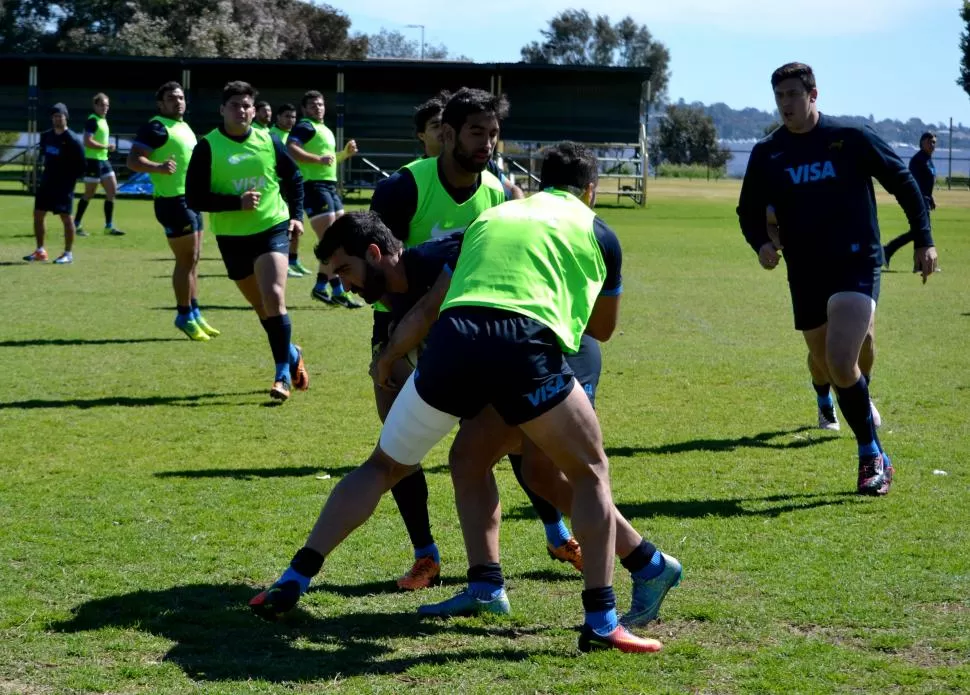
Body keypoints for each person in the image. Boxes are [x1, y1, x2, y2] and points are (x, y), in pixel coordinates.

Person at [250, 142, 679, 654]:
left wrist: (387, 357)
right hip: (527, 342)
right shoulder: (598, 231)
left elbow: (434, 305)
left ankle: (297, 577)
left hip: (456, 339)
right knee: (586, 474)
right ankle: (606, 615)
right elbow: (601, 329)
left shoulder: (493, 218)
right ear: (590, 190)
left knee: (414, 463)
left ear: (540, 183)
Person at [369, 88, 581, 591]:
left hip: (476, 335)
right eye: (475, 132)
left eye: (492, 134)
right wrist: (400, 341)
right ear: (447, 133)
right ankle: (426, 556)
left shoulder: (502, 195)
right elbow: (378, 274)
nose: (486, 143)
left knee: (514, 436)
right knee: (399, 448)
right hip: (402, 329)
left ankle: (556, 532)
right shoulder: (403, 188)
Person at [738, 62, 938, 496]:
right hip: (806, 269)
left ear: (813, 95)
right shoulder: (767, 153)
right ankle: (844, 402)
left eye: (793, 94)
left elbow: (903, 182)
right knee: (830, 362)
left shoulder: (850, 137)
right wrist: (762, 244)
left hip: (854, 260)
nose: (785, 104)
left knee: (844, 358)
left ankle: (871, 455)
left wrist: (924, 240)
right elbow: (748, 211)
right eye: (779, 97)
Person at [185, 80, 309, 401]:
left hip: (272, 227)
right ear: (222, 110)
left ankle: (281, 373)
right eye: (235, 105)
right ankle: (292, 353)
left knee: (274, 296)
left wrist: (296, 215)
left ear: (254, 111)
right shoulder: (207, 147)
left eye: (247, 106)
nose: (241, 110)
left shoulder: (268, 141)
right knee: (262, 308)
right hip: (232, 237)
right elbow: (194, 197)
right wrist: (234, 203)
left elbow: (293, 177)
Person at [765, 205, 879, 432]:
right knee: (824, 349)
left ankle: (862, 390)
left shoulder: (841, 176)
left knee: (865, 338)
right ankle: (825, 400)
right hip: (808, 269)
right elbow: (766, 219)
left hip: (850, 261)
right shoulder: (787, 180)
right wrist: (778, 242)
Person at [127, 81, 219, 342]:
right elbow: (133, 160)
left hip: (192, 199)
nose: (177, 102)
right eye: (171, 98)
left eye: (180, 97)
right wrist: (157, 167)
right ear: (161, 104)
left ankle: (195, 311)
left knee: (195, 259)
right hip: (173, 202)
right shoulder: (156, 127)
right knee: (185, 261)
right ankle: (183, 315)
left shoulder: (183, 126)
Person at [286, 90, 362, 308]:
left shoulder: (324, 130)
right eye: (312, 105)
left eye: (320, 104)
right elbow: (291, 148)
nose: (317, 108)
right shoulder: (306, 126)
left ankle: (325, 287)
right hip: (313, 187)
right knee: (333, 242)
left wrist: (344, 154)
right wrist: (318, 158)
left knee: (338, 240)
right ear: (304, 109)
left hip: (329, 187)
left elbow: (327, 162)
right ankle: (332, 289)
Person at [413, 90, 524, 200]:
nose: (443, 130)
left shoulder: (485, 165)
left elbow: (513, 190)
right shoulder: (411, 178)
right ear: (421, 135)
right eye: (436, 125)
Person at [23, 103, 84, 265]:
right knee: (38, 214)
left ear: (66, 118)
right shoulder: (46, 136)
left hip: (64, 185)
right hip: (47, 182)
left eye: (61, 116)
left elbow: (81, 165)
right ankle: (40, 251)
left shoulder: (72, 139)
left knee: (66, 217)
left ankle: (68, 253)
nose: (58, 119)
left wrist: (69, 180)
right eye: (55, 116)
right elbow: (45, 157)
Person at [884, 132, 938, 269]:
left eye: (934, 143)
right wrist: (920, 199)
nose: (933, 145)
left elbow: (928, 181)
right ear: (922, 143)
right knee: (921, 230)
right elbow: (914, 182)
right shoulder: (918, 160)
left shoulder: (928, 159)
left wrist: (931, 197)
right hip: (919, 200)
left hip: (926, 198)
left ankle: (918, 264)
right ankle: (888, 250)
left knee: (920, 230)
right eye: (930, 142)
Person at [269, 103, 311, 279]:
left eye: (293, 117)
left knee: (295, 222)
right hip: (277, 185)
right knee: (283, 224)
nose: (290, 120)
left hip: (292, 185)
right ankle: (282, 261)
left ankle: (293, 260)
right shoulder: (270, 135)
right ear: (277, 117)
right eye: (286, 116)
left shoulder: (294, 136)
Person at [74, 92, 124, 236]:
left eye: (107, 105)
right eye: (102, 105)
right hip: (93, 161)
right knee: (89, 193)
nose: (105, 108)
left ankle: (108, 226)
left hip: (103, 160)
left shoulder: (103, 120)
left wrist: (106, 148)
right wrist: (105, 146)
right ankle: (75, 224)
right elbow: (87, 141)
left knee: (112, 190)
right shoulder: (92, 120)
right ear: (95, 105)